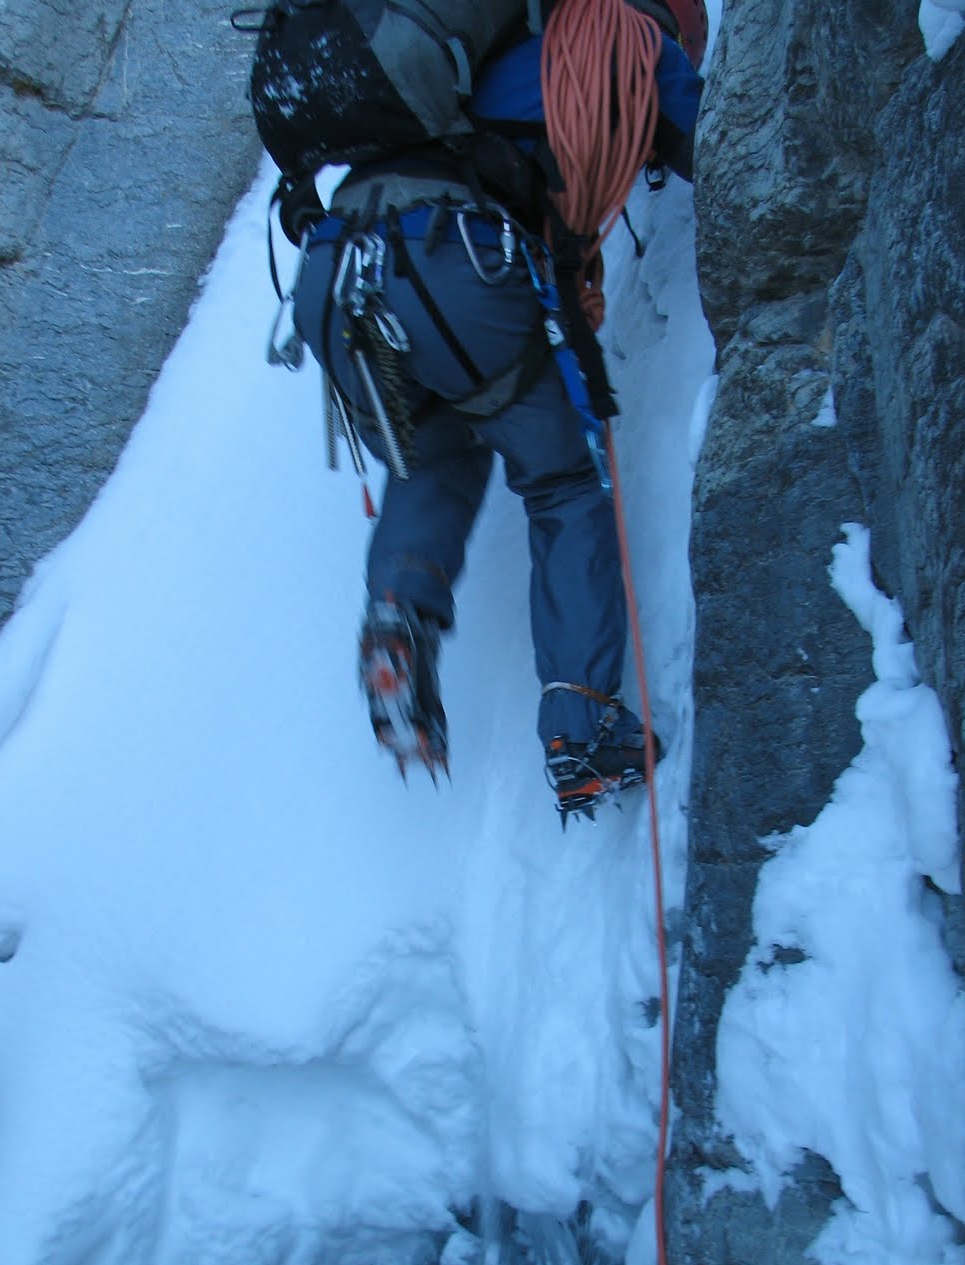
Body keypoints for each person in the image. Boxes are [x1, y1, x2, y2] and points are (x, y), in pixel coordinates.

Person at [289, 0, 706, 818]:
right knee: (560, 485)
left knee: (431, 459)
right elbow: (716, 143)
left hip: (337, 274)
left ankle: (398, 625)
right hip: (450, 263)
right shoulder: (622, 35)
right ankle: (584, 729)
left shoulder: (446, 66)